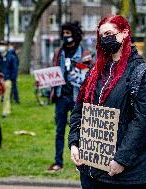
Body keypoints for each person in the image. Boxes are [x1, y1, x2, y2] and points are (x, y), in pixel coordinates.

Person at [68, 15, 146, 189]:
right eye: (101, 36)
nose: (105, 39)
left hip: (126, 176)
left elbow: (142, 123)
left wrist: (121, 159)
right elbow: (79, 109)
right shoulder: (96, 72)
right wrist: (74, 143)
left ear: (124, 33)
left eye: (109, 33)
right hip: (90, 172)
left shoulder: (143, 75)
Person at [47, 22, 86, 172]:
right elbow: (53, 71)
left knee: (80, 130)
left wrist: (79, 70)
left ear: (75, 35)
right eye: (64, 33)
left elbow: (89, 74)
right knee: (59, 131)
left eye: (69, 33)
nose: (66, 36)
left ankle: (81, 162)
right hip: (61, 97)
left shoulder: (84, 53)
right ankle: (58, 162)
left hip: (78, 98)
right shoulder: (58, 53)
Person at [0, 41, 17, 118]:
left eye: (3, 45)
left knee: (6, 96)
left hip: (7, 79)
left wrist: (11, 78)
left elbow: (14, 69)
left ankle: (6, 111)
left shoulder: (11, 57)